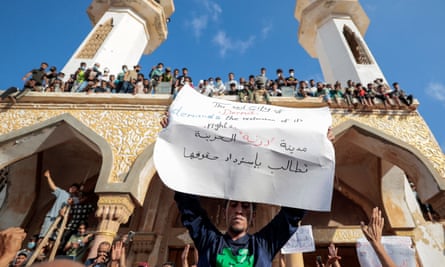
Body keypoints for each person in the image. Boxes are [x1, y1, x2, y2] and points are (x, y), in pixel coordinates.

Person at [38, 170, 80, 242]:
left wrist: (70, 202)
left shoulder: (76, 198)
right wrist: (48, 177)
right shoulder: (62, 193)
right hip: (51, 217)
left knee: (53, 240)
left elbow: (73, 202)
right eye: (72, 187)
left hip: (60, 221)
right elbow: (53, 186)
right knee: (43, 237)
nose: (72, 189)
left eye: (74, 188)